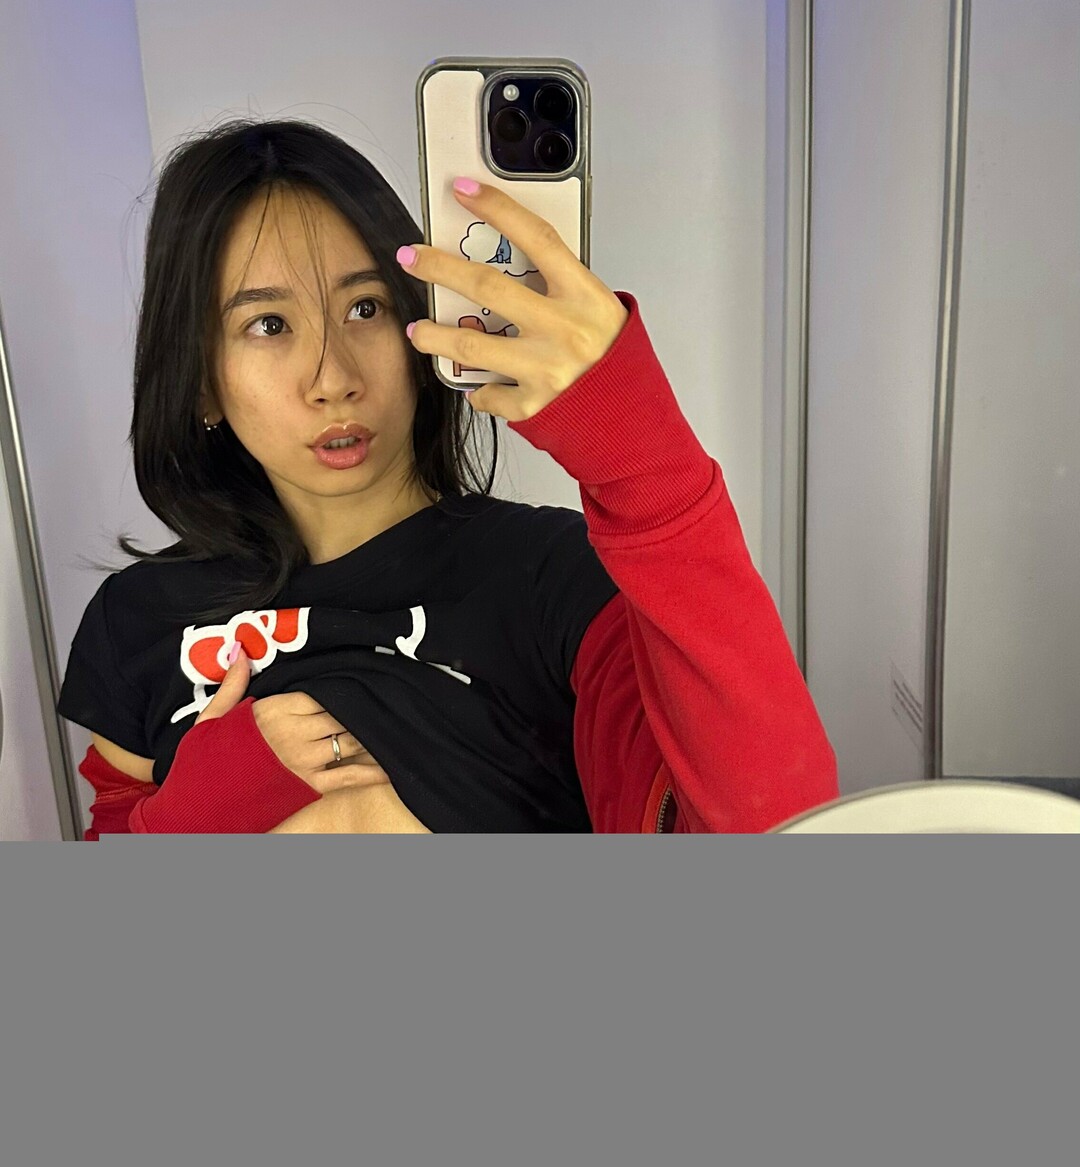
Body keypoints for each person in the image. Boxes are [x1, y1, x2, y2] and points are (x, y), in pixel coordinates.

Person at [57, 118, 839, 836]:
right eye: (268, 324)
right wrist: (197, 813)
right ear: (201, 381)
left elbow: (775, 830)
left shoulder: (555, 580)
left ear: (420, 324)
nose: (332, 379)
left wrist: (642, 461)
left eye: (365, 308)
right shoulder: (136, 619)